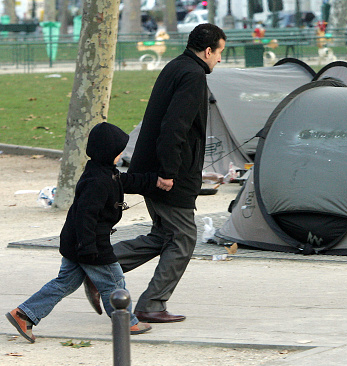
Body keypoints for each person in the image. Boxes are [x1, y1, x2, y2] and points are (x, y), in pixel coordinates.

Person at [84, 24, 227, 324]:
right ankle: (152, 303)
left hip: (153, 168)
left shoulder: (175, 66)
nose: (220, 60)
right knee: (185, 238)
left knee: (164, 236)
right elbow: (175, 127)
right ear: (209, 50)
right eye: (220, 53)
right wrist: (169, 173)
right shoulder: (193, 75)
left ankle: (100, 269)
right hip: (169, 174)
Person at [5, 122, 168, 343]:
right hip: (90, 243)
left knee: (65, 283)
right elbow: (85, 217)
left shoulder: (104, 172)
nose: (121, 156)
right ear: (109, 153)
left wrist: (153, 181)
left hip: (78, 242)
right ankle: (126, 323)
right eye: (119, 152)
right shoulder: (97, 181)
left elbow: (125, 181)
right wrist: (89, 248)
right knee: (114, 281)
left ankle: (24, 314)